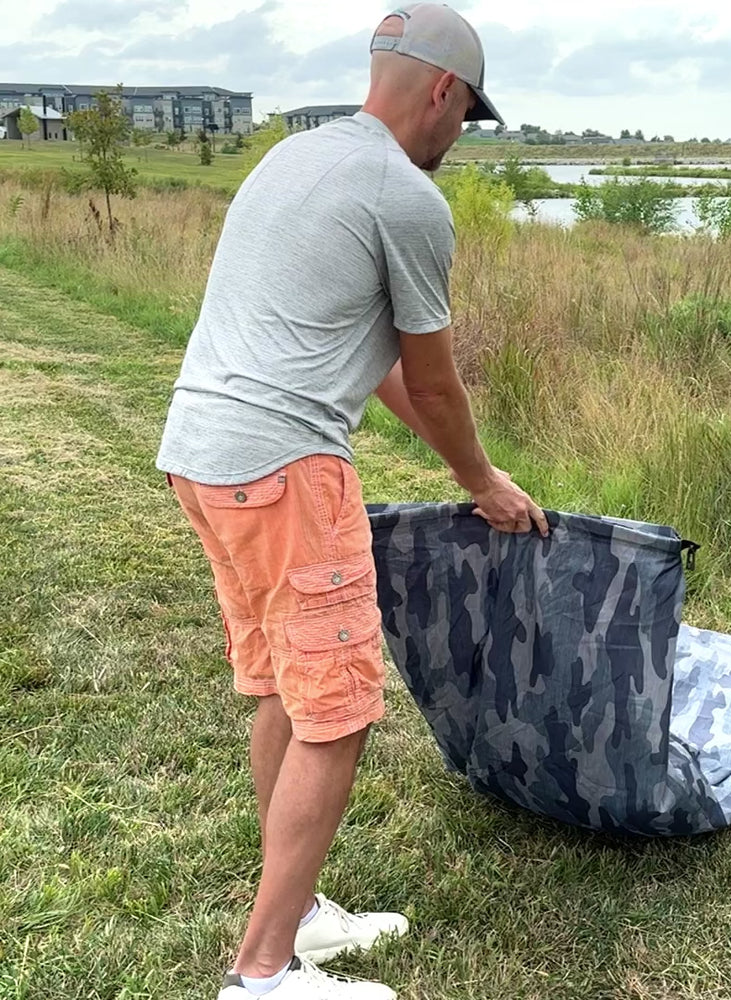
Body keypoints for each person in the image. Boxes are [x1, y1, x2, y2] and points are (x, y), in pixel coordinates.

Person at [155, 5, 549, 998]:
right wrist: (481, 479)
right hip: (287, 469)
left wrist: (469, 467)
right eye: (467, 117)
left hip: (202, 458)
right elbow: (440, 381)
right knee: (336, 711)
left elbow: (378, 373)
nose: (460, 137)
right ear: (442, 93)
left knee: (290, 690)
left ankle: (303, 915)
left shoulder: (295, 157)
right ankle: (263, 970)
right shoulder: (406, 197)